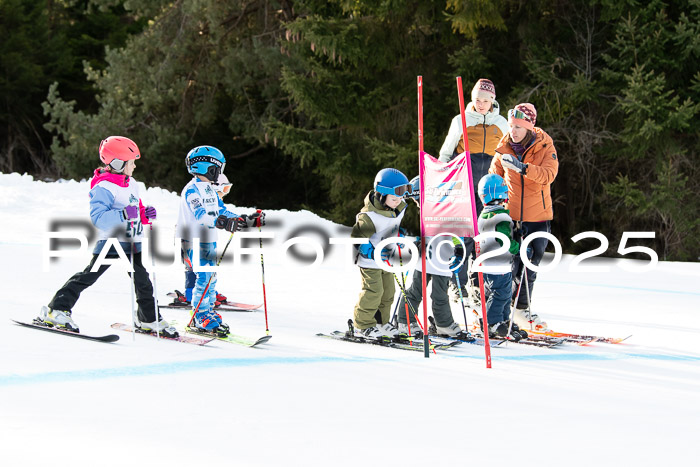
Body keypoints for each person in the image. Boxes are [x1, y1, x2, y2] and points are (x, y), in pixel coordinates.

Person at [40, 136, 177, 337]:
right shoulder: (103, 187)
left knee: (143, 282)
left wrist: (145, 215)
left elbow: (135, 210)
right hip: (111, 243)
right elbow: (99, 218)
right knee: (88, 276)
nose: (135, 166)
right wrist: (124, 214)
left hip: (132, 241)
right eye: (131, 162)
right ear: (118, 163)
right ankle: (57, 309)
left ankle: (148, 318)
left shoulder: (131, 184)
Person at [176, 145, 264, 333]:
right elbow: (201, 215)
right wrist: (223, 222)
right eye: (219, 168)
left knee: (211, 277)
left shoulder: (208, 189)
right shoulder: (191, 191)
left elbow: (221, 210)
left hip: (208, 239)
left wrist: (244, 219)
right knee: (204, 277)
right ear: (209, 167)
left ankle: (207, 310)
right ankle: (199, 316)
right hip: (193, 241)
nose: (220, 173)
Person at [489, 103, 559, 331]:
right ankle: (500, 308)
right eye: (511, 126)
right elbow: (492, 178)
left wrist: (523, 168)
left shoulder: (545, 145)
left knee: (532, 263)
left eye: (518, 126)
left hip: (537, 216)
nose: (514, 131)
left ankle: (521, 308)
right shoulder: (503, 147)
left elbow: (549, 174)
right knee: (510, 263)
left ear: (529, 127)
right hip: (510, 216)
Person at [438, 79, 509, 302]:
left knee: (485, 234)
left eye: (485, 100)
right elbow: (446, 152)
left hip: (488, 186)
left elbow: (508, 155)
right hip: (465, 180)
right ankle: (456, 283)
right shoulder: (461, 120)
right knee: (464, 233)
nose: (481, 104)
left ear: (492, 101)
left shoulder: (501, 123)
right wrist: (442, 177)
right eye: (477, 99)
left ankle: (478, 282)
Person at [395, 176, 469, 339]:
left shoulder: (445, 209)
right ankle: (405, 322)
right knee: (416, 290)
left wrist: (458, 249)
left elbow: (454, 230)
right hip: (426, 258)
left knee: (439, 294)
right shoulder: (424, 211)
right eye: (415, 200)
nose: (417, 203)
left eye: (418, 199)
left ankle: (443, 324)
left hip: (442, 259)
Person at [351, 168, 410, 339]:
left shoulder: (398, 208)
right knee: (373, 292)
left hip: (387, 260)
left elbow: (392, 228)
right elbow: (357, 238)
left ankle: (381, 322)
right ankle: (362, 324)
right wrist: (369, 251)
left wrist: (399, 236)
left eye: (400, 197)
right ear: (381, 195)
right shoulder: (369, 216)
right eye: (394, 198)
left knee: (387, 292)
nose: (398, 201)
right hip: (370, 262)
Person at [173, 173, 233, 307]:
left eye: (227, 190)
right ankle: (190, 294)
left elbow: (220, 212)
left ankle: (209, 292)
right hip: (188, 238)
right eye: (223, 190)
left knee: (207, 269)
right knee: (192, 267)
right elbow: (200, 216)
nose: (224, 194)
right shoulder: (195, 191)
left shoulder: (211, 197)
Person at [475, 173, 523, 340]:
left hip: (487, 264)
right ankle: (492, 322)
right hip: (499, 264)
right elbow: (505, 241)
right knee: (501, 293)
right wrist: (519, 248)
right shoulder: (501, 218)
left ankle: (503, 320)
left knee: (503, 293)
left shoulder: (484, 215)